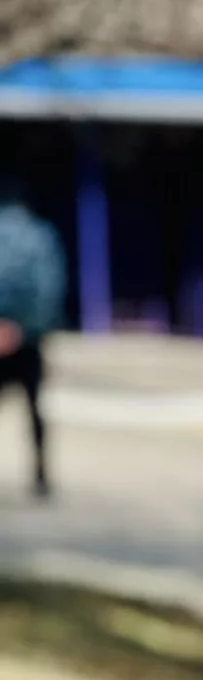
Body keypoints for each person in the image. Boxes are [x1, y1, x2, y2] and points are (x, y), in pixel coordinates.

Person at [0, 176, 66, 497]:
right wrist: (25, 328)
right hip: (27, 340)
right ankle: (40, 476)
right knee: (35, 408)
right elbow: (49, 288)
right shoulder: (41, 235)